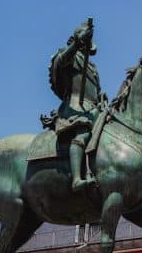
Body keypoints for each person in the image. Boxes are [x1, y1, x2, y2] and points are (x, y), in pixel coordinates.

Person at [43, 18, 105, 192]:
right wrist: (77, 43)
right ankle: (77, 179)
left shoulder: (92, 68)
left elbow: (96, 93)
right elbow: (61, 62)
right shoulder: (67, 54)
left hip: (94, 109)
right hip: (74, 107)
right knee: (83, 133)